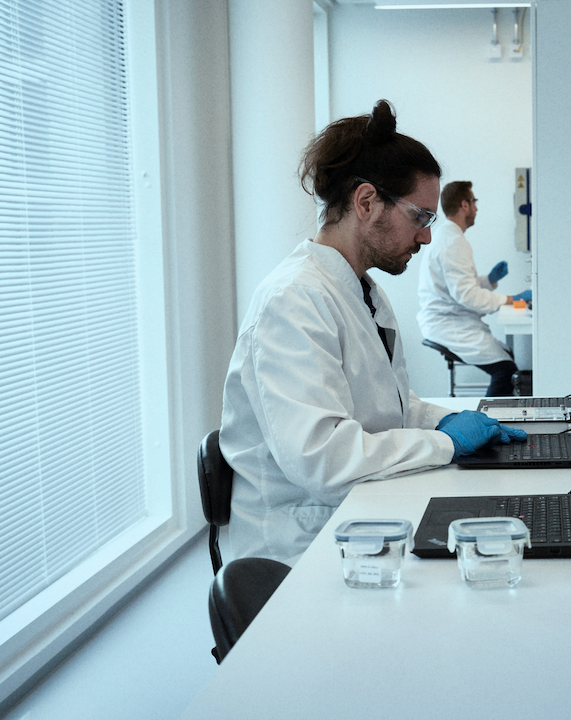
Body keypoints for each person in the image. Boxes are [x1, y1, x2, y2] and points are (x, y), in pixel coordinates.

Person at [219, 101, 527, 563]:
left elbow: (383, 403)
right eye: (421, 218)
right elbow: (324, 458)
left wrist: (435, 419)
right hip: (298, 549)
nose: (426, 238)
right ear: (366, 202)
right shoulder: (293, 300)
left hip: (356, 515)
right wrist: (445, 443)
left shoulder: (360, 289)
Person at [417, 180, 532, 397]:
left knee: (507, 356)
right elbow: (468, 295)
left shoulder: (448, 237)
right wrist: (512, 298)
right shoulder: (452, 242)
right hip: (449, 326)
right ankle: (488, 425)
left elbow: (459, 285)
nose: (476, 208)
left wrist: (488, 280)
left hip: (450, 321)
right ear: (464, 205)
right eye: (474, 202)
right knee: (506, 371)